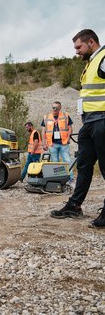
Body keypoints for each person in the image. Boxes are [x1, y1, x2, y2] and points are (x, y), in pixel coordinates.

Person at [51, 29, 105, 228]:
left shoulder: (103, 58)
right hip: (90, 124)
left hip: (102, 121)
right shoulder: (91, 63)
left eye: (78, 47)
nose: (76, 51)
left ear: (91, 42)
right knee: (83, 166)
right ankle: (74, 205)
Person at [41, 101, 74, 183]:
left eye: (57, 108)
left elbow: (70, 128)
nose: (55, 109)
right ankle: (58, 180)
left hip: (64, 143)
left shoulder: (65, 116)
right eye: (53, 108)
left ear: (60, 108)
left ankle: (70, 179)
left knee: (67, 161)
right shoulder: (46, 117)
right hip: (52, 144)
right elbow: (43, 131)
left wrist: (68, 139)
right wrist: (44, 143)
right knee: (55, 163)